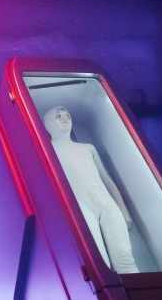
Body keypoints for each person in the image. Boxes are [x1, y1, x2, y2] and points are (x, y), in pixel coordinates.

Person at [42, 105, 138, 273]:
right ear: (48, 122)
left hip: (107, 202)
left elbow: (107, 180)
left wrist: (124, 212)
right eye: (58, 116)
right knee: (99, 260)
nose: (65, 118)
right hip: (80, 205)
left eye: (67, 115)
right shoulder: (48, 151)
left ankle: (138, 291)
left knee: (124, 257)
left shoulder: (88, 148)